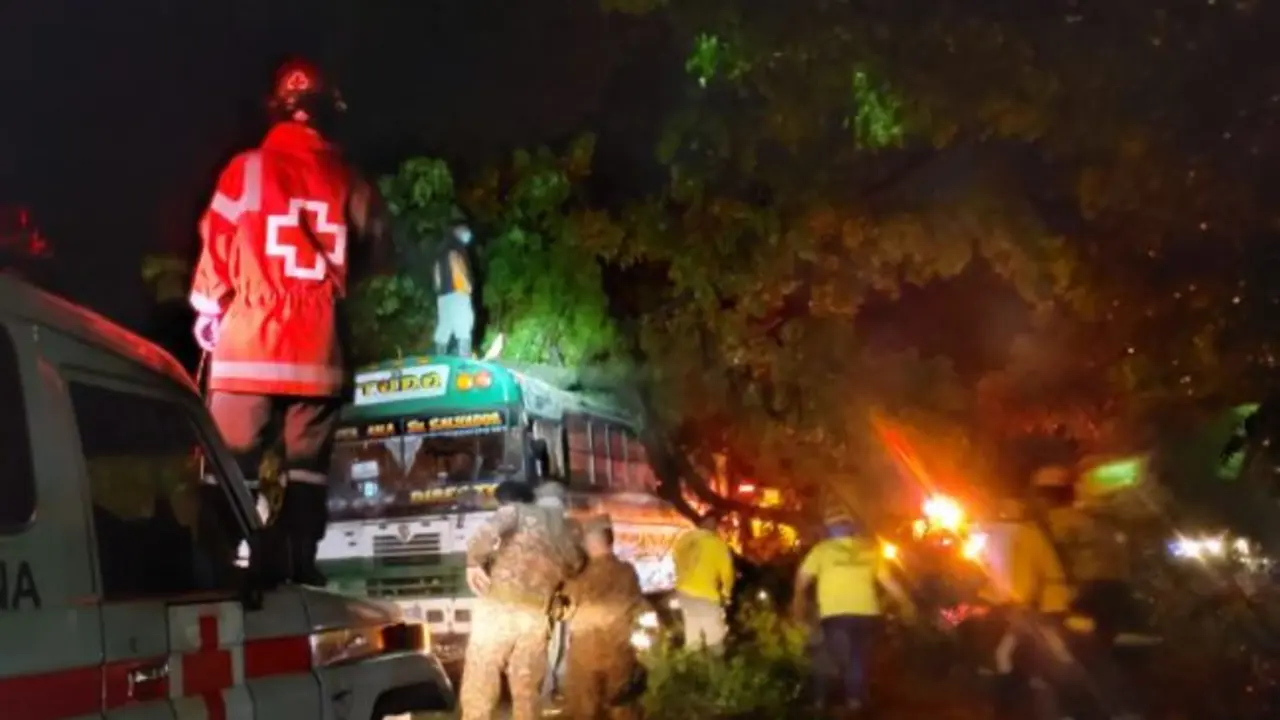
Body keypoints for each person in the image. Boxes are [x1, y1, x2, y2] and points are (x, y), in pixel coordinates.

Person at [189, 57, 390, 585]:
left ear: (277, 111)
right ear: (329, 112)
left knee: (229, 463)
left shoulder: (246, 169)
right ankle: (299, 565)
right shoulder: (350, 177)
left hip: (248, 340)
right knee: (306, 468)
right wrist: (329, 293)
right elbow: (376, 252)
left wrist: (209, 308)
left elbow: (218, 240)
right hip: (317, 347)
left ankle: (217, 565)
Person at [460, 480, 585, 720]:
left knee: (481, 677)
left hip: (497, 609)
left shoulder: (517, 511)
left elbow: (482, 536)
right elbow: (576, 569)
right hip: (535, 618)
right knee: (527, 686)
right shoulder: (568, 531)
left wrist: (473, 563)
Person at [792, 512, 912, 715]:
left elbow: (802, 580)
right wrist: (906, 602)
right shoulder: (870, 550)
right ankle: (854, 701)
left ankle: (821, 702)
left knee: (829, 656)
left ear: (829, 529)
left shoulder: (822, 550)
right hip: (867, 614)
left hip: (836, 614)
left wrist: (797, 602)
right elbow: (888, 581)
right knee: (857, 658)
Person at [562, 514, 647, 720]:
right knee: (622, 708)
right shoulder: (628, 572)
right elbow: (637, 607)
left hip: (585, 654)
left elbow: (564, 611)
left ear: (590, 542)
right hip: (620, 652)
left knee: (584, 710)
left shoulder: (579, 577)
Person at [671, 512, 735, 653]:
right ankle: (716, 669)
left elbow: (675, 557)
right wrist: (726, 594)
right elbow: (727, 573)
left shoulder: (685, 539)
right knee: (715, 636)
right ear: (715, 527)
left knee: (692, 629)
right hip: (706, 595)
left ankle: (691, 666)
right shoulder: (718, 545)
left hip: (683, 592)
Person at [433, 223, 476, 356]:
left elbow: (437, 278)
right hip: (458, 294)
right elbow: (458, 271)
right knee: (463, 325)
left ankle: (439, 357)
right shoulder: (455, 252)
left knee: (444, 328)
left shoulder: (440, 255)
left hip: (443, 297)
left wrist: (440, 292)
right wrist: (466, 287)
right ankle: (465, 358)